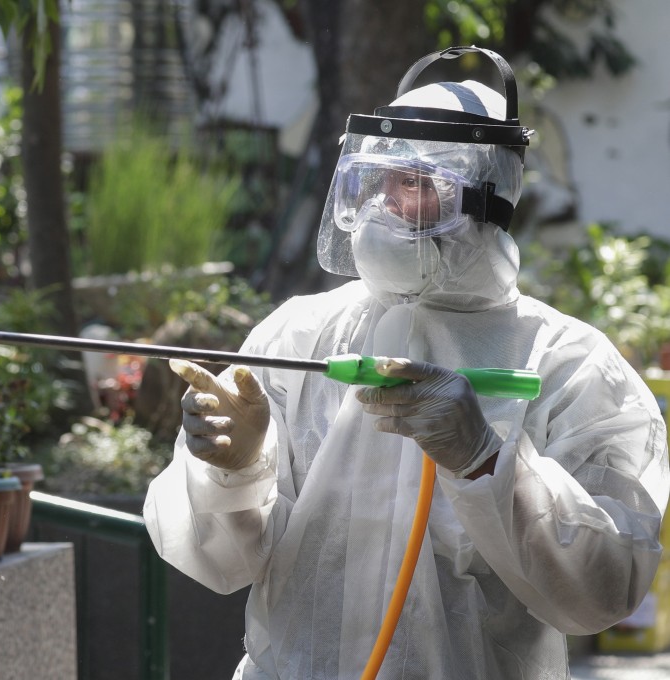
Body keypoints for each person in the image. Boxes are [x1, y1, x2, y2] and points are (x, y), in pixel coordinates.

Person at [143, 46, 670, 679]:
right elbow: (219, 563)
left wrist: (488, 463)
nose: (393, 204)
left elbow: (602, 592)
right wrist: (234, 470)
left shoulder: (570, 364)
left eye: (425, 185)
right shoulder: (300, 335)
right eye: (384, 181)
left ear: (489, 197)